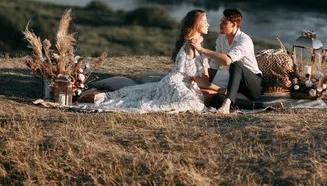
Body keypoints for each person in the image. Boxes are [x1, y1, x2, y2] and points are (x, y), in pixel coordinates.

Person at [93, 10, 223, 113]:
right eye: (204, 21)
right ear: (195, 24)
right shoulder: (190, 44)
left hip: (189, 84)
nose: (208, 24)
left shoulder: (199, 42)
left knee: (204, 98)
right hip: (176, 82)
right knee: (193, 104)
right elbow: (195, 77)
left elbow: (202, 75)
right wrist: (222, 89)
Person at [190, 8, 263, 114]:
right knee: (217, 99)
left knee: (235, 65)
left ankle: (227, 105)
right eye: (221, 21)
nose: (220, 24)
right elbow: (215, 64)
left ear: (233, 24)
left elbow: (227, 61)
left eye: (224, 22)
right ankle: (260, 106)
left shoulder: (244, 40)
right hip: (236, 86)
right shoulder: (221, 38)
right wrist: (201, 83)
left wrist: (201, 50)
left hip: (253, 85)